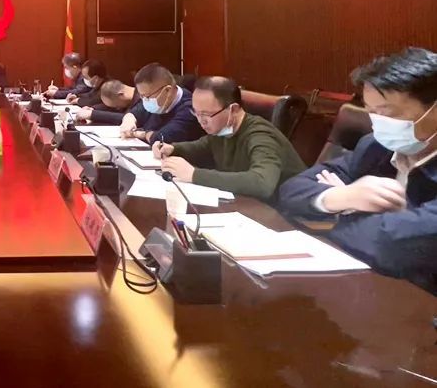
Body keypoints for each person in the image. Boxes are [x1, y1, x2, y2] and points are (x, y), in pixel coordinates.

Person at [279, 48, 437, 292]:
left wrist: (341, 213)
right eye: (371, 111)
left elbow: (389, 245)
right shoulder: (376, 147)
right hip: (368, 286)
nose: (377, 122)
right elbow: (292, 190)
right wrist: (341, 196)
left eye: (387, 112)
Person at [152, 76, 306, 200]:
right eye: (196, 113)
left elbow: (262, 183)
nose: (200, 121)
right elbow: (203, 146)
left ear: (233, 109)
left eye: (206, 114)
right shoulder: (222, 129)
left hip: (285, 213)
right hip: (247, 203)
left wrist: (194, 175)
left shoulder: (261, 136)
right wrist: (173, 148)